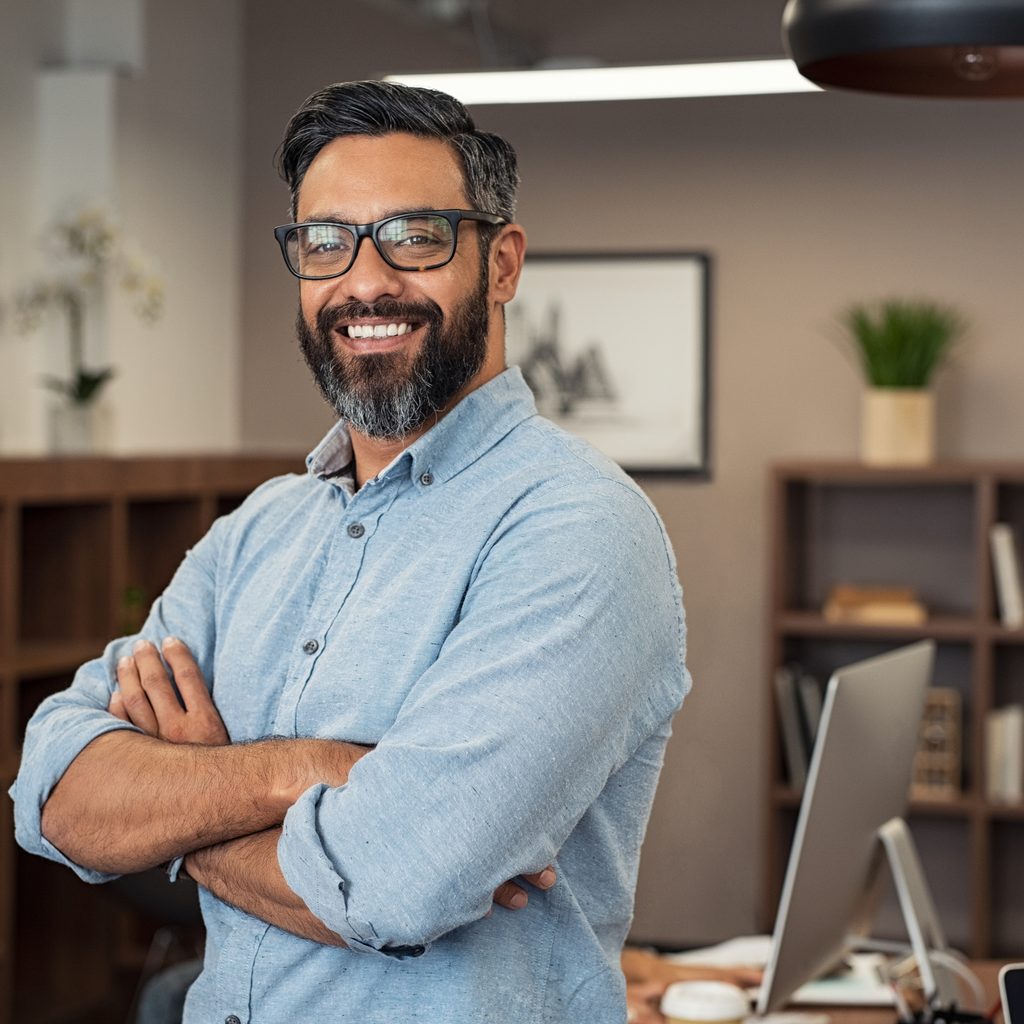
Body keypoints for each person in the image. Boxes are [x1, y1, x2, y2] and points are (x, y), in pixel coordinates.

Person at [11, 80, 691, 1023]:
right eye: (326, 242)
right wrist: (314, 768)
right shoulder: (256, 532)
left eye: (415, 235)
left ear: (502, 263)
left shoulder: (576, 529)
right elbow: (53, 793)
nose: (365, 282)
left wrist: (179, 801)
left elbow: (392, 886)